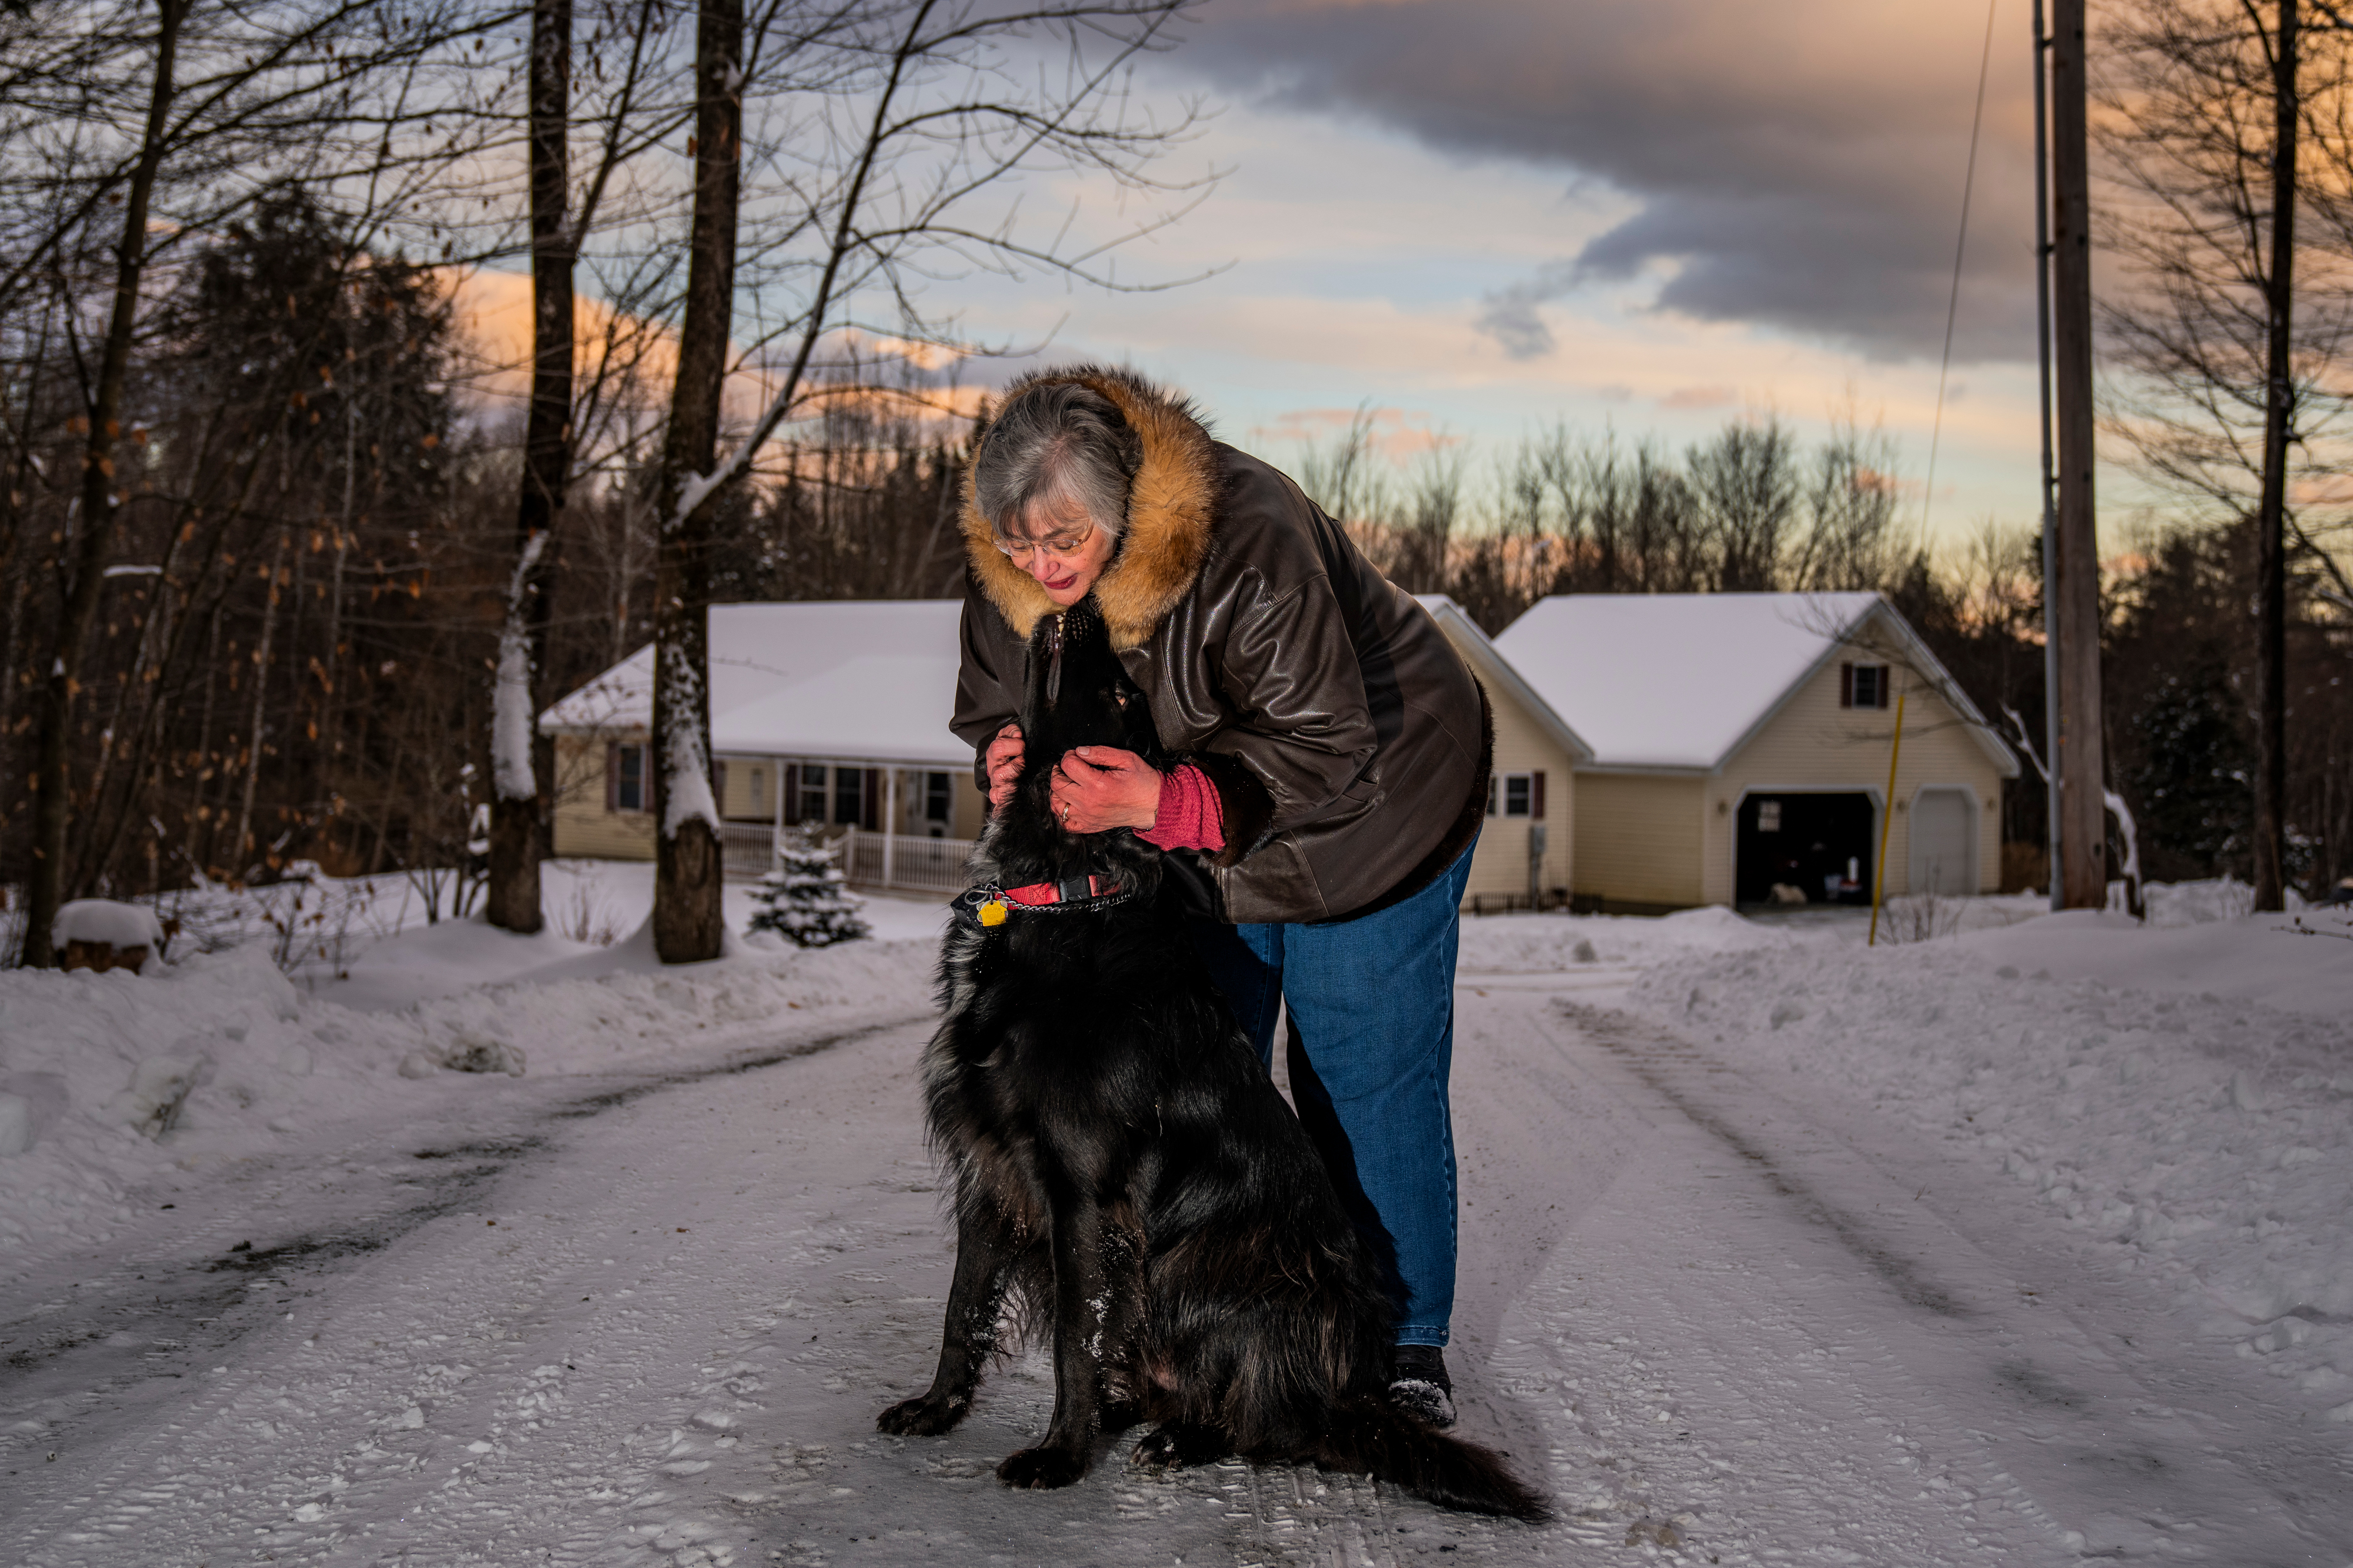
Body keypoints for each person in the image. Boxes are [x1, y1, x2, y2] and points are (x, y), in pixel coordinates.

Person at [949, 366, 1491, 1428]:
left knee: (1356, 1073)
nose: (1038, 565)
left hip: (1371, 808)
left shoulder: (1249, 537)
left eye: (1064, 544)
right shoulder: (1015, 559)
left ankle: (1408, 1339)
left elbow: (1330, 740)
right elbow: (991, 704)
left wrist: (1167, 796)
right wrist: (1001, 756)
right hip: (1183, 832)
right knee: (1202, 1081)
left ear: (1121, 510)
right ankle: (1198, 1330)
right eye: (1018, 544)